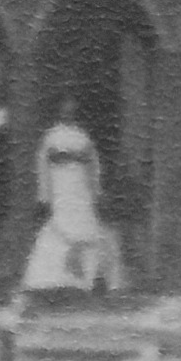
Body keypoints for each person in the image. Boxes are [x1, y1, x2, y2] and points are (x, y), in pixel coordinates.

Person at [17, 102, 121, 305]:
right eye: (65, 109)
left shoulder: (83, 136)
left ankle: (84, 280)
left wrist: (96, 191)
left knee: (87, 227)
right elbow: (43, 166)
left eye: (71, 109)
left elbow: (93, 166)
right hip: (59, 186)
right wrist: (44, 195)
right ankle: (50, 280)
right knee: (59, 226)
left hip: (80, 187)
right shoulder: (51, 136)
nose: (68, 112)